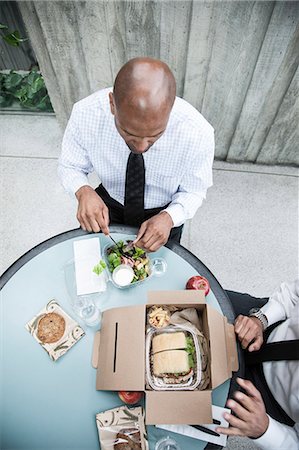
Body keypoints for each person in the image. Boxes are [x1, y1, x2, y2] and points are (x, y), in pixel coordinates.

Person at [58, 57, 214, 252]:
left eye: (154, 135)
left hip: (164, 213)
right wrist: (83, 190)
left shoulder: (198, 132)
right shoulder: (86, 113)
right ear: (112, 104)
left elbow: (194, 190)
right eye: (129, 133)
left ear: (171, 109)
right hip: (108, 205)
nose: (141, 147)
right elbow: (71, 165)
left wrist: (169, 217)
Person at [216, 280, 299, 449]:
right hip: (268, 322)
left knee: (179, 409)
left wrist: (264, 429)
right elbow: (293, 294)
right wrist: (260, 319)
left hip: (263, 403)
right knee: (185, 297)